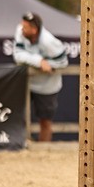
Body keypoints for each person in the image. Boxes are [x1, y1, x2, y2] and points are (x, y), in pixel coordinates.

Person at [13, 11, 68, 142]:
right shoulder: (19, 32)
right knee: (18, 117)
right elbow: (17, 55)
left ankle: (44, 150)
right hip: (26, 83)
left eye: (25, 27)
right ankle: (22, 145)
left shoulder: (49, 42)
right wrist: (39, 61)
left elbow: (63, 62)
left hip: (47, 87)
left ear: (34, 30)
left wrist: (48, 64)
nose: (21, 29)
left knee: (45, 121)